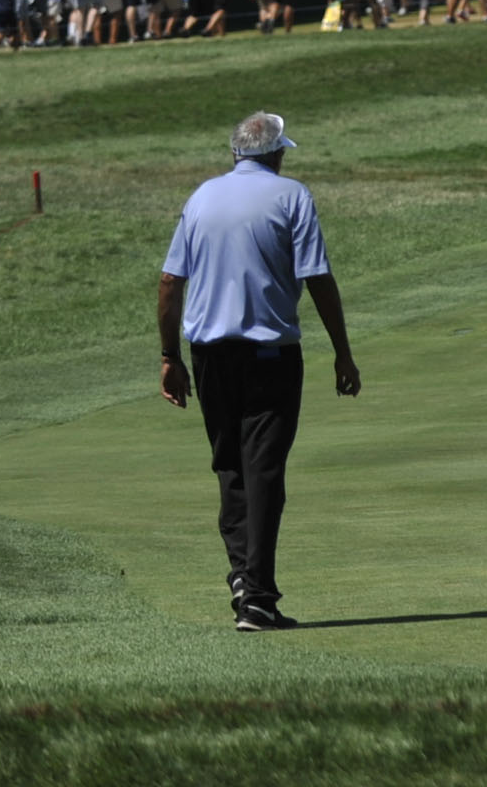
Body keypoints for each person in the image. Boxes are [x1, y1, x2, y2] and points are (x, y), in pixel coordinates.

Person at [157, 112, 362, 631]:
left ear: (234, 154)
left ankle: (245, 580)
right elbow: (317, 278)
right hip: (270, 356)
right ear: (276, 154)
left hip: (208, 358)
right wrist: (342, 351)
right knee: (264, 470)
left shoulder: (200, 197)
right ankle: (258, 598)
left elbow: (168, 283)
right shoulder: (292, 196)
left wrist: (168, 357)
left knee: (231, 468)